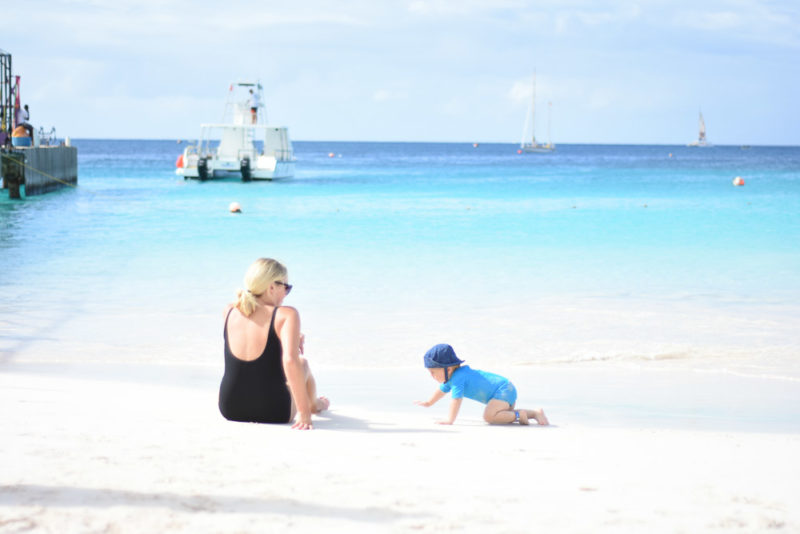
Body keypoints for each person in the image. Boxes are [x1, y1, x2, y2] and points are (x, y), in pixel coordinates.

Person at [219, 258, 329, 430]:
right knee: (302, 363)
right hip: (273, 410)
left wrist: (289, 336)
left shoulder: (229, 310)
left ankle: (315, 403)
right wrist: (305, 416)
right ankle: (315, 405)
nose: (286, 293)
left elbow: (254, 333)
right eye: (286, 287)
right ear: (271, 287)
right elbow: (290, 361)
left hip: (231, 408)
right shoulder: (286, 315)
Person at [415, 343, 549, 426]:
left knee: (489, 417)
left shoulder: (458, 378)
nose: (431, 376)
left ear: (448, 369)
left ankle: (520, 416)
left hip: (502, 390)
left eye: (433, 372)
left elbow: (456, 400)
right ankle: (535, 413)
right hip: (507, 389)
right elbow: (441, 391)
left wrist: (450, 420)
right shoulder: (451, 378)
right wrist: (428, 403)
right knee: (500, 416)